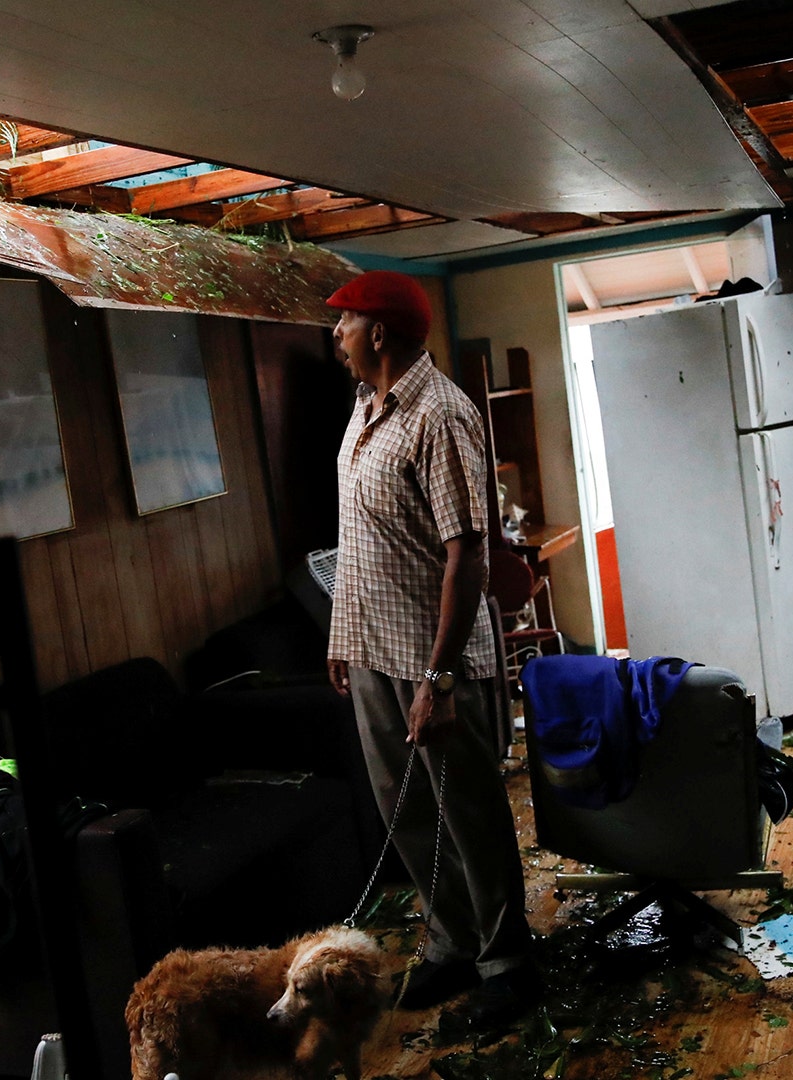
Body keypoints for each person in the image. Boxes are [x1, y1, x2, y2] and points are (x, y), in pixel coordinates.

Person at [322, 270, 541, 1029]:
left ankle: (508, 962)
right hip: (373, 649)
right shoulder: (362, 407)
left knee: (470, 815)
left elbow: (468, 558)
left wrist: (439, 680)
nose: (336, 335)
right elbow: (359, 537)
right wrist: (339, 633)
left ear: (378, 332)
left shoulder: (440, 415)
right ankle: (453, 945)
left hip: (435, 661)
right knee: (409, 811)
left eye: (344, 323)